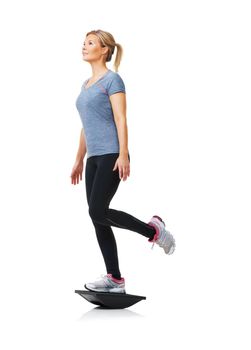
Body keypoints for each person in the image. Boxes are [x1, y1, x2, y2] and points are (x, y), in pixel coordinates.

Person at [70, 29, 176, 294]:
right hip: (94, 158)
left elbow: (120, 118)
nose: (84, 46)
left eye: (90, 42)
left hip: (111, 154)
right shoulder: (85, 86)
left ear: (104, 49)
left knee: (97, 211)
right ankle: (115, 279)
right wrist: (78, 159)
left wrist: (123, 153)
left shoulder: (112, 80)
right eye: (84, 42)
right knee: (98, 218)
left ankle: (154, 231)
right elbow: (86, 126)